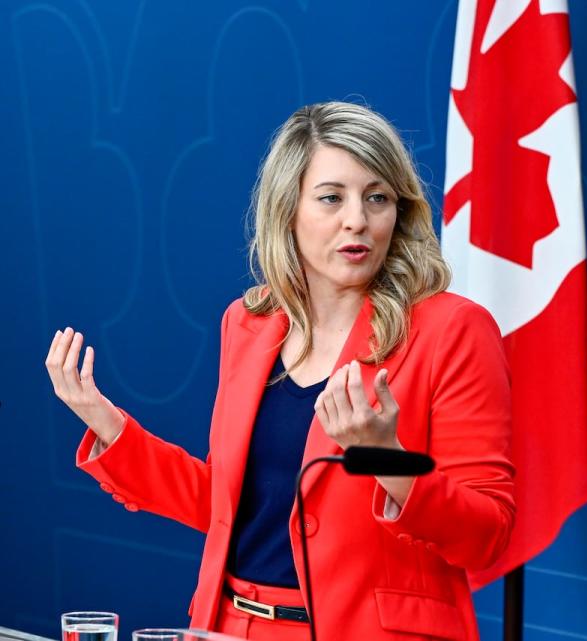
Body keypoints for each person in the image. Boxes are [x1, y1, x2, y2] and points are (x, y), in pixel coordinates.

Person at [44, 102, 515, 641]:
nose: (356, 218)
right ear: (288, 209)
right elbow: (227, 506)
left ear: (399, 213)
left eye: (377, 197)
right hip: (228, 627)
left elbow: (487, 535)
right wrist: (109, 427)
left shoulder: (452, 329)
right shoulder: (249, 323)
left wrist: (388, 459)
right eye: (332, 198)